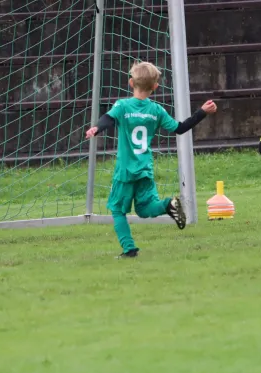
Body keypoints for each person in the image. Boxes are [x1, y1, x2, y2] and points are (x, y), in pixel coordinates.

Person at [86, 61, 217, 257]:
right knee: (145, 210)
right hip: (145, 168)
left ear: (131, 83)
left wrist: (97, 128)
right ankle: (168, 205)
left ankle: (129, 249)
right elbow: (180, 128)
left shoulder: (122, 105)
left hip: (125, 171)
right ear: (155, 87)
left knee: (117, 210)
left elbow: (108, 118)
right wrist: (202, 112)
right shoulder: (157, 110)